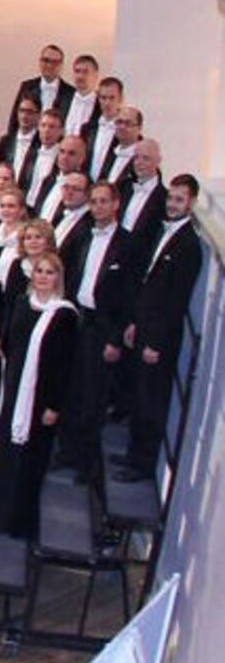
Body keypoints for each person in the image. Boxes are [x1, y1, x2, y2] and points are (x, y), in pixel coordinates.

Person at [0, 252, 78, 538]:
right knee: (4, 452)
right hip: (12, 387)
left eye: (49, 272)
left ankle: (17, 522)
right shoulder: (22, 303)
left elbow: (65, 365)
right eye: (39, 271)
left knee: (29, 460)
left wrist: (54, 406)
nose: (43, 277)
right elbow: (7, 341)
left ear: (58, 278)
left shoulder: (64, 315)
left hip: (40, 399)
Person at [113, 175, 204, 482]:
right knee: (138, 395)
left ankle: (141, 464)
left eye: (179, 199)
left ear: (192, 203)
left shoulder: (189, 246)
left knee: (150, 401)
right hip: (143, 326)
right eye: (171, 198)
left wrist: (155, 342)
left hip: (158, 339)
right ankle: (132, 454)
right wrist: (134, 323)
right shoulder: (163, 232)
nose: (172, 204)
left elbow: (175, 301)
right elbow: (148, 283)